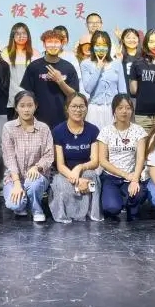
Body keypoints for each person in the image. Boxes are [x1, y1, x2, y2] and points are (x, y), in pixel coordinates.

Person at [2, 91, 55, 222]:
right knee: (15, 205)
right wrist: (17, 184)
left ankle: (37, 209)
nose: (26, 109)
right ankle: (24, 200)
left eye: (30, 105)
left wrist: (37, 167)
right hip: (15, 177)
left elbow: (49, 155)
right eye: (22, 105)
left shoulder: (43, 128)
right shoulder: (8, 128)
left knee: (34, 183)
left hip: (37, 175)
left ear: (35, 106)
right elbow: (9, 158)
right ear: (16, 108)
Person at [49, 93, 102, 223]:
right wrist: (76, 179)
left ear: (86, 108)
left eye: (81, 106)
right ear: (67, 108)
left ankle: (90, 213)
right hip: (64, 173)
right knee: (62, 185)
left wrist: (80, 168)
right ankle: (68, 214)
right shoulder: (58, 131)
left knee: (92, 180)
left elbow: (95, 161)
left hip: (86, 171)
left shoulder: (93, 130)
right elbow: (60, 165)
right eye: (74, 106)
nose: (78, 110)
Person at [98, 94, 150, 221]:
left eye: (128, 108)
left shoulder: (138, 130)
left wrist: (135, 179)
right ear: (114, 110)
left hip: (132, 176)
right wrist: (124, 175)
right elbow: (103, 161)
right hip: (111, 177)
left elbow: (140, 158)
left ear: (132, 110)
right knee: (112, 208)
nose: (124, 111)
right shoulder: (106, 131)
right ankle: (118, 201)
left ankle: (130, 205)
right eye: (120, 108)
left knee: (138, 195)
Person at [20, 29, 80, 128]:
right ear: (44, 44)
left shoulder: (68, 67)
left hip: (63, 120)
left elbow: (74, 95)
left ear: (62, 44)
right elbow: (27, 95)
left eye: (56, 42)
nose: (53, 45)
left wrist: (60, 81)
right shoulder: (34, 66)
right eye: (49, 42)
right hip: (38, 120)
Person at [80, 31, 128, 129]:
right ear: (93, 46)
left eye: (104, 45)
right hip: (94, 109)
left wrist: (123, 109)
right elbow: (88, 88)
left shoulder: (117, 63)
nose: (101, 48)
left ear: (109, 47)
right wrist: (98, 68)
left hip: (113, 109)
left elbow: (122, 90)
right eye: (98, 45)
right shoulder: (85, 64)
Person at [3, 22, 38, 118]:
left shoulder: (35, 53)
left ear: (28, 35)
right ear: (12, 36)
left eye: (24, 33)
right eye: (17, 33)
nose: (21, 36)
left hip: (29, 97)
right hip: (10, 98)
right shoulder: (5, 52)